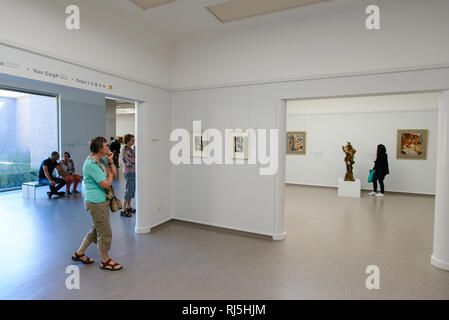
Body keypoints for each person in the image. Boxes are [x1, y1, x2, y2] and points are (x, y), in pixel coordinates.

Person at [71, 136, 122, 271]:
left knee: (96, 230)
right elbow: (105, 183)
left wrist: (111, 160)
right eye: (106, 145)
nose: (108, 147)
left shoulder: (100, 161)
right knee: (105, 232)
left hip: (102, 201)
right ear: (100, 148)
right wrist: (110, 176)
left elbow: (114, 174)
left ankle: (79, 254)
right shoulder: (91, 164)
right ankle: (105, 261)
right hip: (96, 202)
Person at [121, 134, 136, 218]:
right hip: (129, 172)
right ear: (128, 140)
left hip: (133, 171)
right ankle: (123, 209)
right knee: (129, 189)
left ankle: (129, 207)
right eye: (132, 140)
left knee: (132, 189)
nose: (133, 141)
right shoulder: (125, 149)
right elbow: (132, 159)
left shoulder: (131, 149)